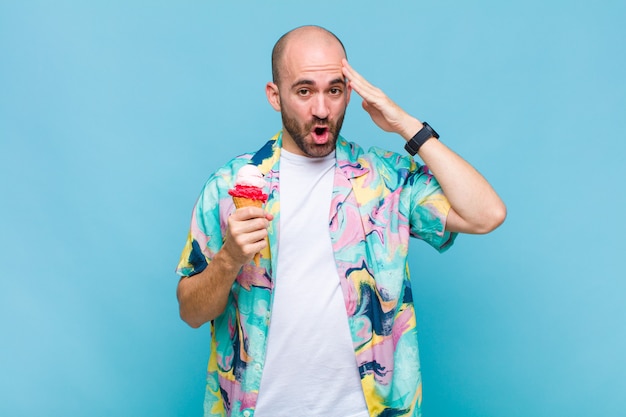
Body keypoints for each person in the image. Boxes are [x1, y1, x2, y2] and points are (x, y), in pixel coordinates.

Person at [175, 25, 506, 417]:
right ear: (274, 95)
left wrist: (406, 125)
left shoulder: (386, 180)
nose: (321, 109)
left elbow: (487, 214)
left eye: (333, 90)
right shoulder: (230, 185)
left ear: (349, 93)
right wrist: (229, 259)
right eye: (304, 91)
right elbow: (191, 312)